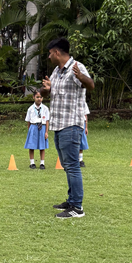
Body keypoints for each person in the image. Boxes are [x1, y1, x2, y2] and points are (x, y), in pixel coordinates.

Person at [40, 37, 94, 219]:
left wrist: (81, 77)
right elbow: (48, 93)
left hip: (71, 125)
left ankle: (77, 208)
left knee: (72, 166)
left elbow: (91, 85)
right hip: (59, 125)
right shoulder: (57, 72)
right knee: (67, 165)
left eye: (50, 53)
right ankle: (71, 201)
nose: (49, 57)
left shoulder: (76, 67)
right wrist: (47, 89)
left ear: (57, 52)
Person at [24, 92, 49, 170]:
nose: (39, 99)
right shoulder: (30, 109)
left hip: (42, 127)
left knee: (42, 146)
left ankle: (42, 163)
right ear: (33, 97)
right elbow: (28, 121)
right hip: (33, 126)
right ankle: (32, 163)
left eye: (40, 97)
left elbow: (47, 121)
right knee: (31, 145)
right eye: (37, 97)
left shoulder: (45, 108)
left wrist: (46, 132)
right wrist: (29, 131)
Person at [80, 102, 90, 167]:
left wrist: (86, 127)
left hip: (82, 124)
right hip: (73, 124)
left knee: (81, 142)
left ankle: (80, 160)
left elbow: (85, 115)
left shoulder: (83, 103)